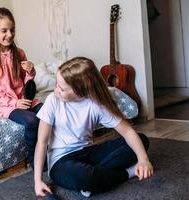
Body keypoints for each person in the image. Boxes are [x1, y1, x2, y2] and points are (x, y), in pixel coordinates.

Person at [34, 57, 153, 198]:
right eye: (57, 84)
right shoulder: (52, 101)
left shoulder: (96, 105)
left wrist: (143, 160)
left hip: (87, 153)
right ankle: (127, 173)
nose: (56, 90)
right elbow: (41, 142)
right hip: (61, 161)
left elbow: (127, 131)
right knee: (85, 177)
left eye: (62, 88)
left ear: (81, 91)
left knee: (141, 140)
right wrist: (38, 181)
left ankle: (96, 178)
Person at [0, 7, 43, 168]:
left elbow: (26, 82)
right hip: (5, 105)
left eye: (12, 30)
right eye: (4, 30)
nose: (10, 35)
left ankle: (54, 153)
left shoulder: (19, 53)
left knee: (49, 114)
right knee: (32, 121)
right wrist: (14, 103)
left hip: (24, 100)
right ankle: (36, 162)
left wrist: (30, 71)